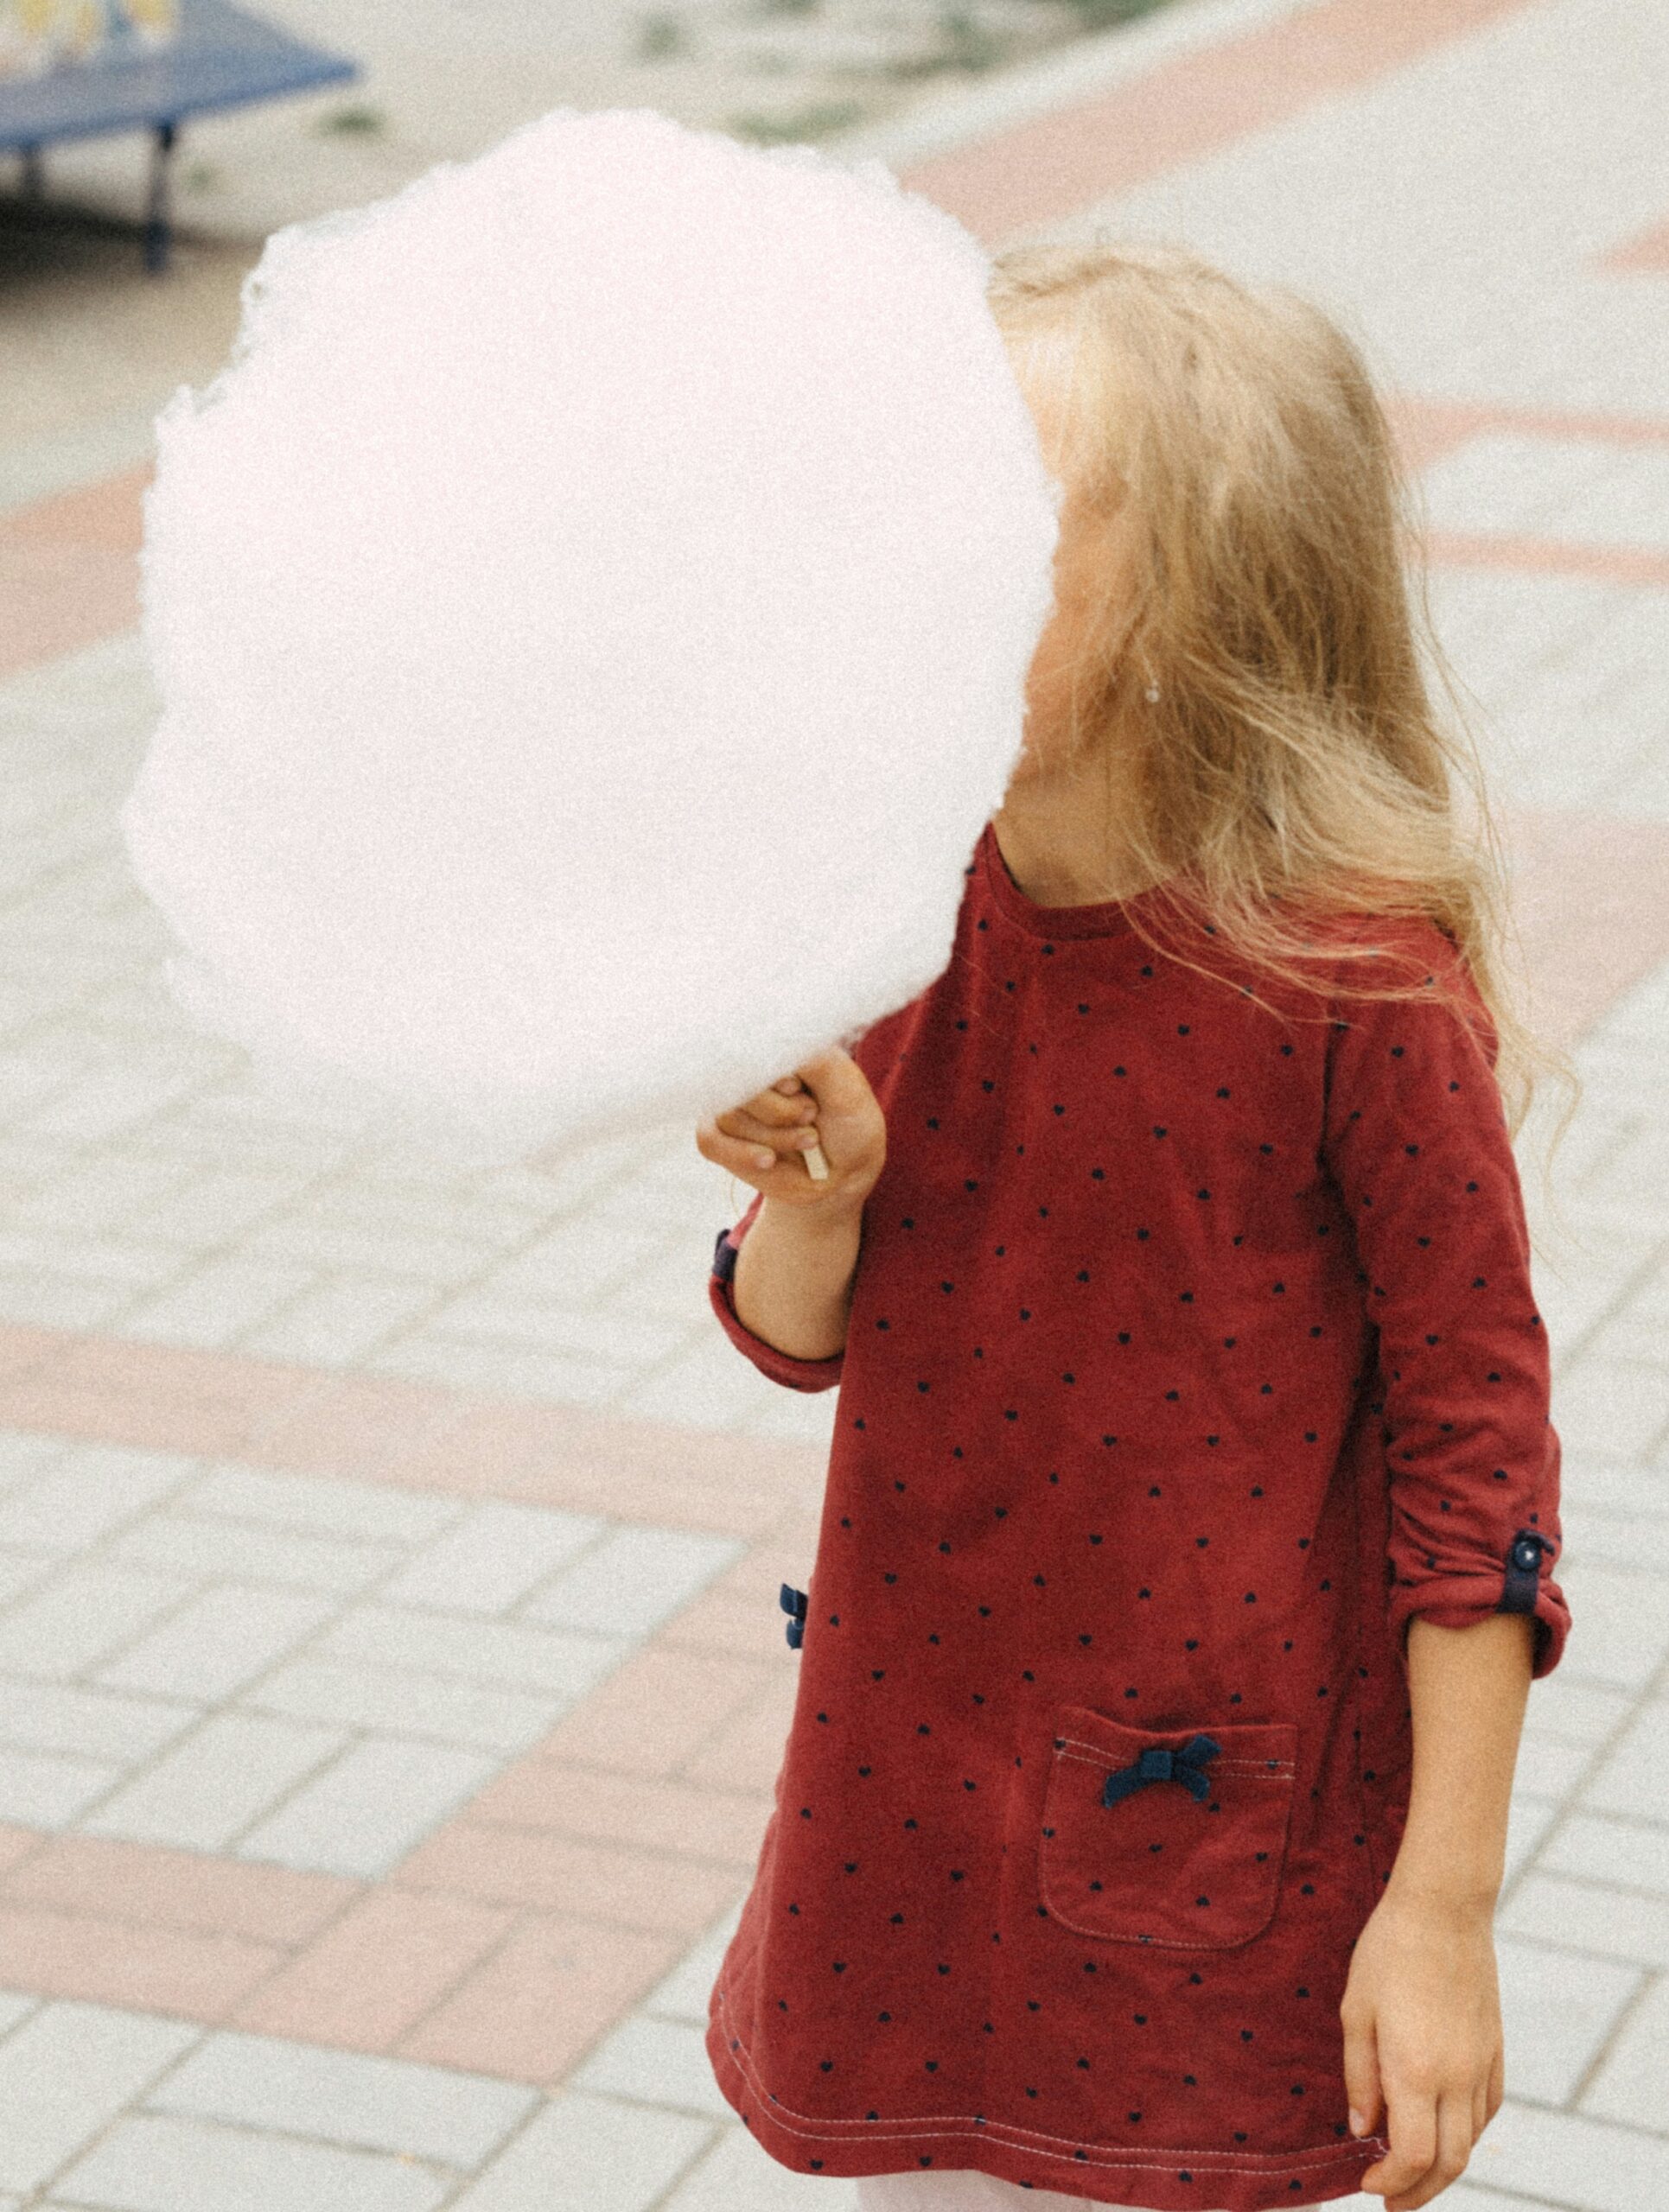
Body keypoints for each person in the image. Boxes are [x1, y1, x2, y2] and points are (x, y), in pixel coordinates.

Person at [693, 241, 1574, 2212]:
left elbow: (1477, 1464)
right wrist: (818, 1195)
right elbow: (790, 1322)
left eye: (995, 526)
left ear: (1203, 600)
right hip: (902, 1809)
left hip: (1200, 1842)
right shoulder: (904, 903)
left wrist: (1442, 1907)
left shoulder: (1355, 984)